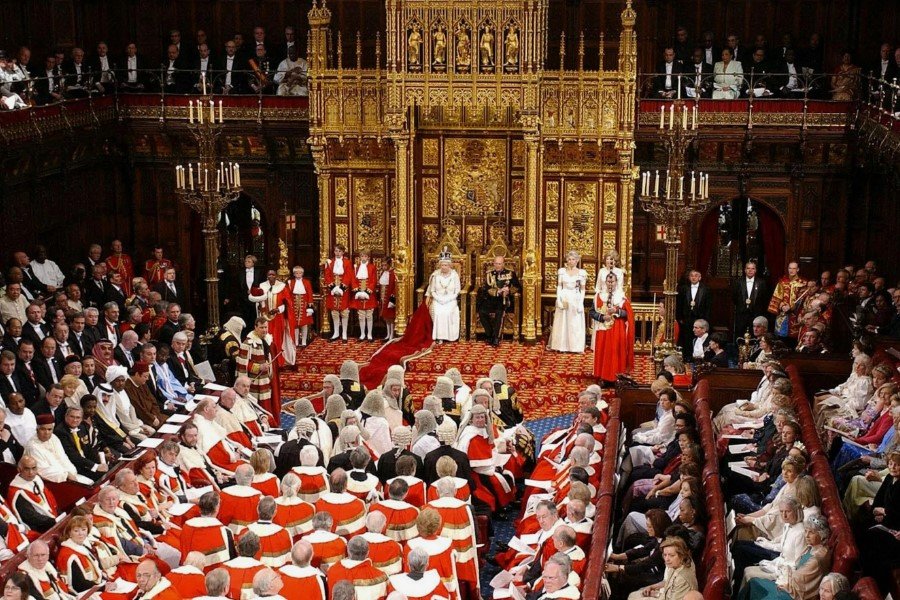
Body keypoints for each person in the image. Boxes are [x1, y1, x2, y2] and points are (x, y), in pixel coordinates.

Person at [237, 317, 281, 426]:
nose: (264, 330)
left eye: (266, 327)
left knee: (269, 405)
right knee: (257, 409)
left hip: (267, 380)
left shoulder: (269, 341)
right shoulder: (247, 343)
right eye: (261, 327)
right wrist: (259, 367)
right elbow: (242, 364)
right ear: (255, 327)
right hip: (254, 384)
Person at [592, 272, 634, 383]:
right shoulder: (598, 296)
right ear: (605, 282)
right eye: (608, 281)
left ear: (616, 282)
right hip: (603, 330)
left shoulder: (622, 298)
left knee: (616, 351)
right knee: (604, 352)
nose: (610, 284)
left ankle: (617, 377)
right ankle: (603, 377)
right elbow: (592, 312)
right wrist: (602, 317)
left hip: (617, 329)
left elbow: (628, 314)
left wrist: (617, 311)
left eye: (612, 281)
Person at [249, 270, 296, 368]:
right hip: (264, 319)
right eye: (269, 274)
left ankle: (278, 362)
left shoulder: (282, 287)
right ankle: (266, 360)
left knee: (277, 339)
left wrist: (277, 309)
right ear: (267, 276)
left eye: (273, 274)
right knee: (265, 338)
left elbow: (287, 304)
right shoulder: (262, 286)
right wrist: (260, 306)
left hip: (278, 318)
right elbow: (258, 301)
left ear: (276, 276)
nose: (271, 276)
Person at [477, 255, 520, 346]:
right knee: (482, 312)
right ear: (493, 263)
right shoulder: (490, 274)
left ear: (503, 264)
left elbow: (517, 287)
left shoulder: (510, 273)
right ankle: (489, 334)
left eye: (499, 264)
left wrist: (508, 290)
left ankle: (496, 337)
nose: (497, 266)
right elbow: (487, 288)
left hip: (503, 299)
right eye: (496, 263)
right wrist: (498, 291)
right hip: (491, 299)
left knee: (499, 313)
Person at [549, 251, 588, 353]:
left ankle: (575, 347)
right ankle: (561, 346)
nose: (571, 261)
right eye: (569, 259)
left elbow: (583, 289)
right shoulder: (562, 271)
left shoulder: (581, 273)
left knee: (574, 323)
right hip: (564, 297)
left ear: (577, 260)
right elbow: (559, 286)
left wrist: (581, 303)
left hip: (575, 298)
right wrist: (559, 299)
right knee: (562, 323)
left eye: (573, 259)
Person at [425, 251, 461, 343]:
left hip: (451, 299)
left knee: (448, 312)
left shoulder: (454, 275)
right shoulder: (436, 275)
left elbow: (457, 290)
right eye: (442, 265)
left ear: (449, 266)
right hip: (438, 299)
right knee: (438, 312)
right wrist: (438, 299)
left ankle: (450, 337)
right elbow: (432, 290)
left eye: (446, 265)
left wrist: (449, 299)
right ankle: (439, 337)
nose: (443, 267)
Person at [768, 262, 809, 342]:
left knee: (793, 340)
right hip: (783, 315)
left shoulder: (803, 283)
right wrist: (782, 306)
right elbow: (776, 297)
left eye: (794, 268)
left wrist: (792, 307)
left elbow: (804, 299)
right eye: (790, 268)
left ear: (798, 269)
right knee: (781, 340)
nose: (791, 270)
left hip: (796, 315)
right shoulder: (782, 282)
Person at [676, 270, 710, 358]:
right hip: (686, 318)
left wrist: (705, 320)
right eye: (692, 276)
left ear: (700, 278)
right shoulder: (683, 289)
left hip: (700, 318)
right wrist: (680, 318)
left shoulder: (705, 289)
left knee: (698, 338)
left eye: (696, 276)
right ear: (689, 277)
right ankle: (687, 357)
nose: (694, 277)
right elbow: (679, 304)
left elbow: (708, 306)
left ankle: (697, 356)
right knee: (686, 338)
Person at [324, 245, 353, 341]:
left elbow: (348, 275)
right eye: (336, 251)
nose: (337, 253)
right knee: (334, 312)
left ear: (343, 252)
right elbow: (327, 275)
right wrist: (333, 288)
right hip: (332, 290)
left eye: (339, 251)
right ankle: (336, 333)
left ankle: (344, 333)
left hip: (344, 290)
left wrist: (341, 288)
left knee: (344, 312)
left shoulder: (348, 262)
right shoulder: (330, 262)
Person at [351, 250, 378, 341]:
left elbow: (373, 280)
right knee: (361, 316)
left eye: (365, 256)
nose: (363, 258)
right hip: (359, 295)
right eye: (362, 256)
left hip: (369, 295)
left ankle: (369, 334)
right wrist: (357, 292)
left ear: (368, 258)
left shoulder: (372, 267)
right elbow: (353, 280)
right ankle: (362, 334)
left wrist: (367, 292)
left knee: (369, 315)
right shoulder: (356, 268)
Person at [288, 266, 314, 347]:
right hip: (294, 306)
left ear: (302, 273)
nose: (298, 274)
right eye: (296, 273)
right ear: (294, 274)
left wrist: (310, 305)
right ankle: (296, 341)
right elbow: (289, 294)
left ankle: (303, 341)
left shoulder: (307, 282)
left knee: (304, 323)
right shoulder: (290, 282)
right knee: (295, 324)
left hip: (304, 305)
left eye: (300, 273)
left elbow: (309, 293)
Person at [379, 257, 397, 341]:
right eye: (382, 265)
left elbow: (395, 287)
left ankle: (392, 334)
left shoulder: (393, 273)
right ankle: (388, 333)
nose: (383, 267)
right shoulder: (383, 272)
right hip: (383, 297)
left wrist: (392, 300)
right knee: (386, 317)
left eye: (385, 265)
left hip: (389, 297)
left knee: (391, 317)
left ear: (389, 264)